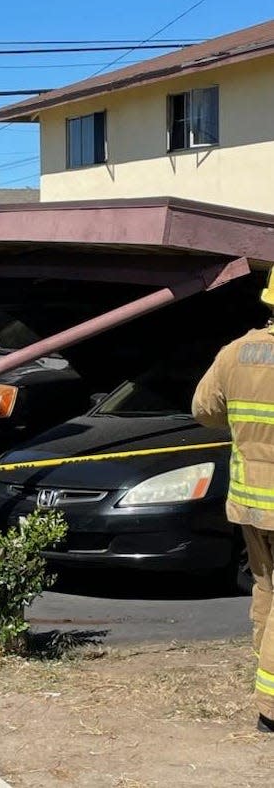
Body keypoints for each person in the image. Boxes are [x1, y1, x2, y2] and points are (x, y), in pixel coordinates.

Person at [192, 270, 274, 735]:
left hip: (249, 503)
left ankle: (265, 695)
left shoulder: (237, 352)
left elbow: (204, 411)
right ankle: (271, 707)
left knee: (267, 591)